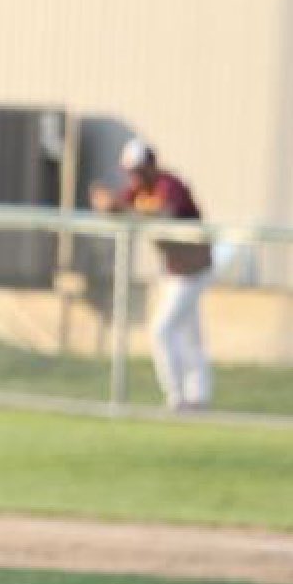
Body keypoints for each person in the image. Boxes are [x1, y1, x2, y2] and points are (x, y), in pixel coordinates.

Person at [91, 138, 213, 411]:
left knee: (163, 329)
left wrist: (121, 208)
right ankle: (198, 397)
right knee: (189, 335)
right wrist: (107, 204)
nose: (133, 177)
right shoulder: (138, 191)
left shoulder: (169, 185)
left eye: (138, 170)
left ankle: (177, 397)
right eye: (129, 172)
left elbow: (164, 213)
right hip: (174, 271)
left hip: (194, 270)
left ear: (151, 166)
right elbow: (119, 207)